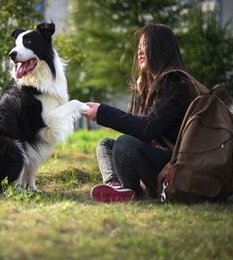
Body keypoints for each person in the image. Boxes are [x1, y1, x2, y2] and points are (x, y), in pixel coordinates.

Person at [83, 23, 208, 203]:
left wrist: (103, 112)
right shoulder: (161, 82)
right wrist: (142, 93)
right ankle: (116, 186)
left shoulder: (175, 82)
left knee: (125, 144)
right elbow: (141, 128)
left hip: (175, 166)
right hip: (163, 157)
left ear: (161, 49)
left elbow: (146, 129)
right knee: (106, 145)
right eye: (139, 47)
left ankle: (130, 190)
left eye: (146, 45)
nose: (140, 52)